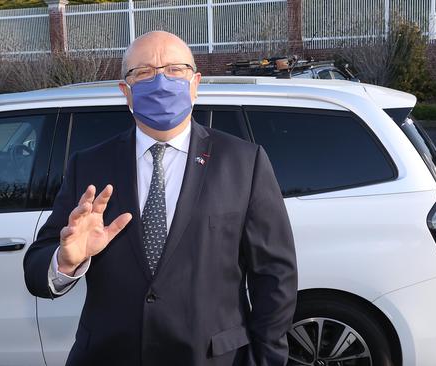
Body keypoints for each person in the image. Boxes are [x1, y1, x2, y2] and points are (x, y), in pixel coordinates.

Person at [23, 31, 297, 366]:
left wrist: (267, 360)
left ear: (195, 84)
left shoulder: (243, 161)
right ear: (126, 91)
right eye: (144, 73)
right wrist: (65, 262)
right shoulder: (89, 165)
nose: (161, 81)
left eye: (174, 70)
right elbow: (36, 268)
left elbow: (275, 275)